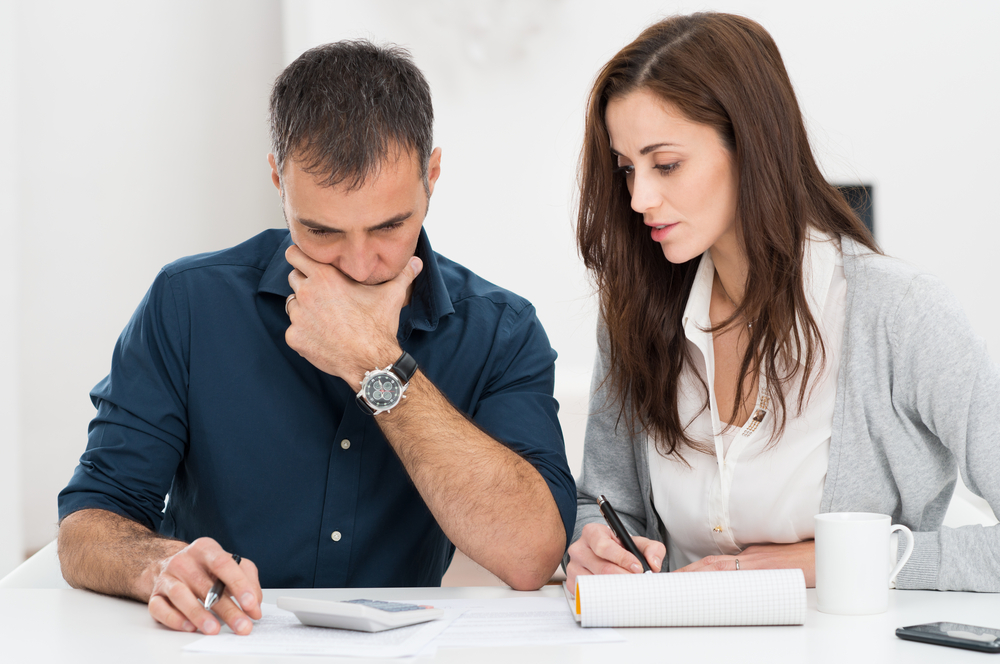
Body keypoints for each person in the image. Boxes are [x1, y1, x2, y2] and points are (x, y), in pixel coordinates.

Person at [57, 40, 576, 636]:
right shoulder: (188, 304)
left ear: (431, 175)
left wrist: (375, 364)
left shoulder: (498, 331)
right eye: (321, 230)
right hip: (219, 643)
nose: (358, 265)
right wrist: (157, 564)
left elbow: (531, 553)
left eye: (389, 226)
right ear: (278, 177)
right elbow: (88, 525)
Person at [566, 12, 1000, 593]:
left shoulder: (901, 314)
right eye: (627, 169)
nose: (640, 196)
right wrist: (597, 546)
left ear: (751, 144)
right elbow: (605, 504)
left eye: (666, 164)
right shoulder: (634, 312)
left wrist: (839, 562)